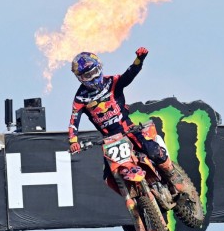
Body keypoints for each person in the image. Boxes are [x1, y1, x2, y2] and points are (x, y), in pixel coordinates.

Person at [67, 47, 182, 193]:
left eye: (94, 72)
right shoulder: (80, 98)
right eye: (87, 76)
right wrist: (73, 141)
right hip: (110, 140)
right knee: (109, 177)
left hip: (128, 128)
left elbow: (129, 75)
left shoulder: (112, 81)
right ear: (80, 78)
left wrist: (139, 60)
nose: (93, 78)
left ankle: (172, 175)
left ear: (99, 68)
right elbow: (74, 120)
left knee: (152, 150)